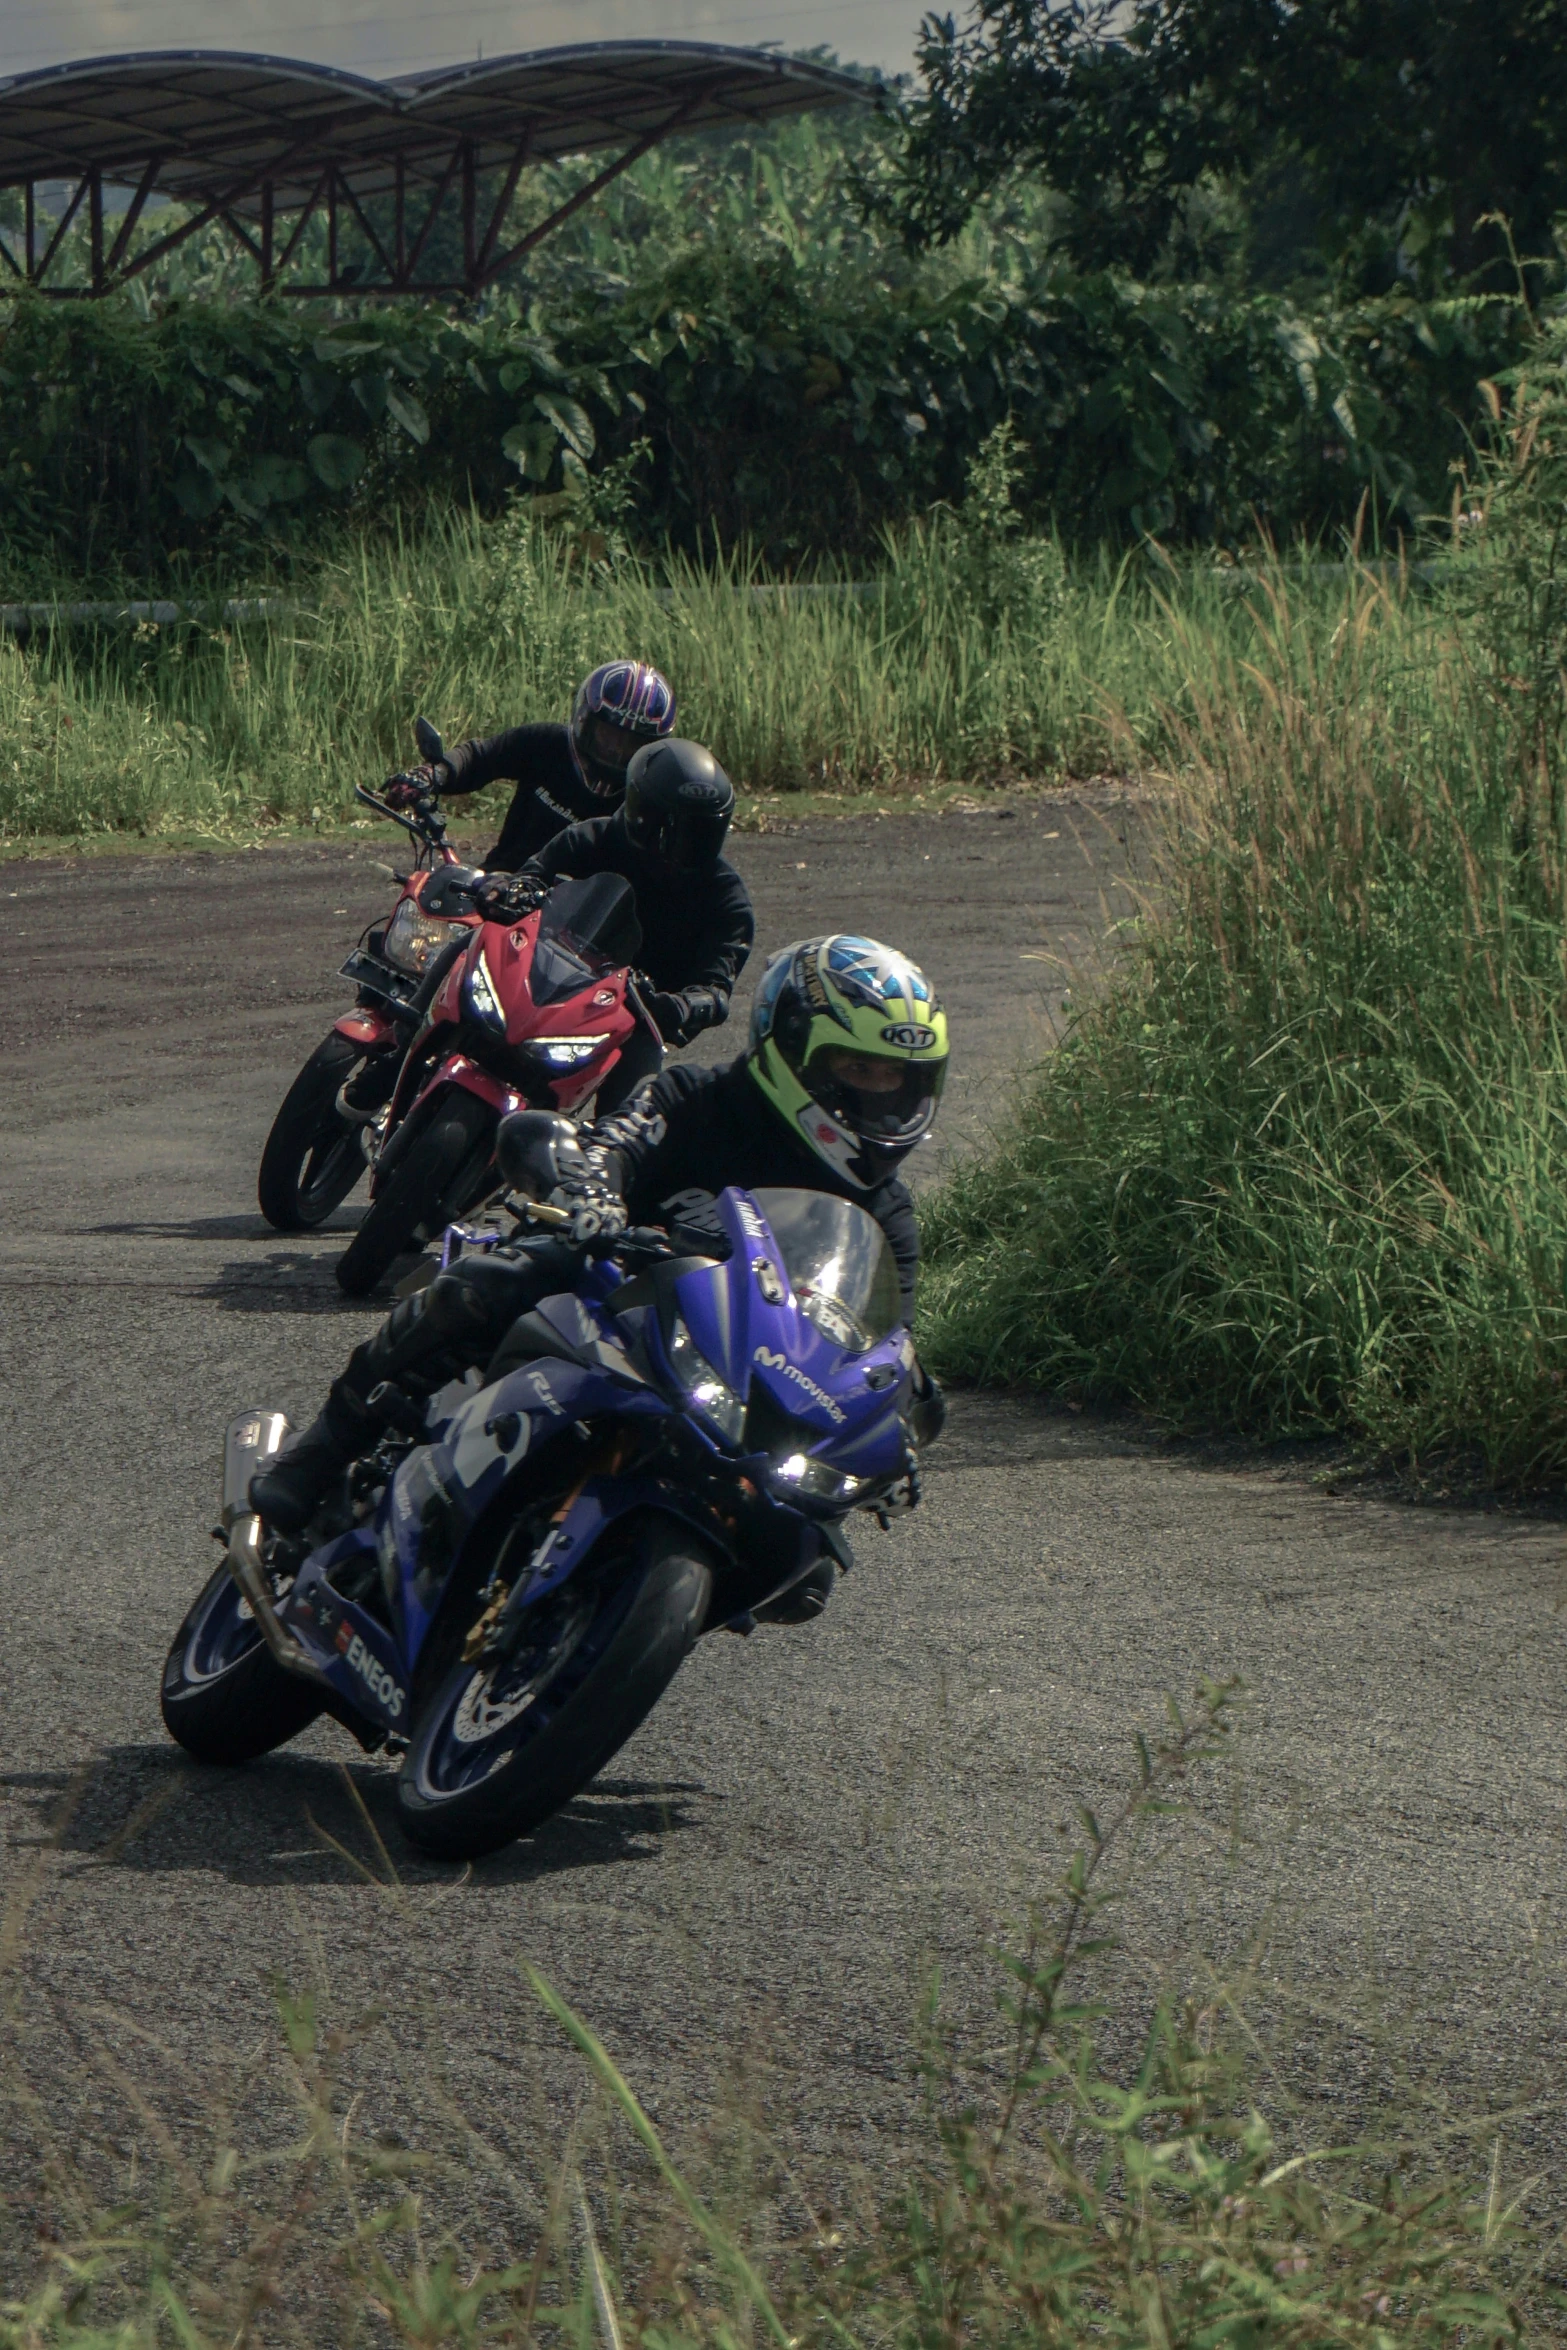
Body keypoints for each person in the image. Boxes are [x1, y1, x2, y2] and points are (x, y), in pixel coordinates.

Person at [250, 934, 950, 1554]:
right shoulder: (700, 1101)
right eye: (860, 1071)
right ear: (791, 1050)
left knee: (802, 1554)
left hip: (731, 1377)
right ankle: (319, 1452)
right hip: (611, 1294)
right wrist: (592, 1192)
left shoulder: (885, 1215)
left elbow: (887, 1344)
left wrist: (893, 1426)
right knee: (494, 1281)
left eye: (899, 1080)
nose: (882, 1097)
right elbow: (615, 1141)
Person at [499, 733, 754, 1114]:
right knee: (466, 962)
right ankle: (398, 1048)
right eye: (670, 827)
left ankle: (597, 1166)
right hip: (546, 977)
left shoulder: (727, 900)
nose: (681, 844)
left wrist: (683, 1006)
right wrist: (510, 890)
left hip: (631, 1019)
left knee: (628, 1119)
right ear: (639, 811)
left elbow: (716, 988)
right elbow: (532, 875)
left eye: (699, 833)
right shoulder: (593, 838)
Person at [410, 660, 676, 871]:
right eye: (608, 735)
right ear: (585, 720)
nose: (616, 750)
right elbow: (482, 756)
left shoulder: (651, 796)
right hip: (498, 890)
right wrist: (434, 774)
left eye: (629, 743)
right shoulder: (546, 743)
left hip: (585, 924)